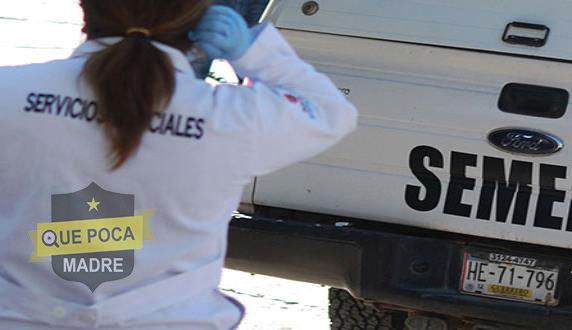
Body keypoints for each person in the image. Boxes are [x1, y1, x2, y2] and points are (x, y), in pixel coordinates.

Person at [0, 0, 357, 329]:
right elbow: (330, 112)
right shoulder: (228, 119)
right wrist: (255, 52)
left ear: (85, 9)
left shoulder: (10, 93)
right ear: (200, 21)